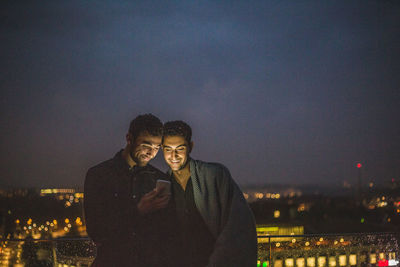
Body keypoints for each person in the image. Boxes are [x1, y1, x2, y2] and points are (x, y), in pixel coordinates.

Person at [162, 120, 258, 267]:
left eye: (180, 148)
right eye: (168, 149)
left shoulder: (215, 175)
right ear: (162, 149)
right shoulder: (163, 184)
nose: (173, 155)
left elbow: (239, 223)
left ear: (190, 147)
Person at [84, 114, 175, 267]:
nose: (151, 153)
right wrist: (138, 210)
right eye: (146, 145)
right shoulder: (99, 175)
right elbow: (96, 231)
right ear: (129, 138)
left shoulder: (159, 178)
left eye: (156, 148)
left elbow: (167, 233)